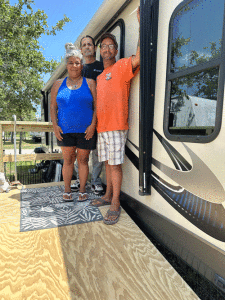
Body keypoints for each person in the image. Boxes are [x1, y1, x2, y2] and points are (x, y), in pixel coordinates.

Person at [91, 7, 140, 225]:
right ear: (100, 51)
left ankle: (116, 202)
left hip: (117, 125)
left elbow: (139, 58)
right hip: (102, 127)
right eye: (104, 46)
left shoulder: (121, 66)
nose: (107, 49)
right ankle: (107, 195)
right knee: (109, 164)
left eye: (111, 45)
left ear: (116, 49)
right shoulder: (100, 77)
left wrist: (141, 24)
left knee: (115, 165)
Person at [50, 43, 97, 202]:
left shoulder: (90, 83)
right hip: (65, 130)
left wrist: (93, 125)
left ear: (81, 65)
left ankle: (83, 189)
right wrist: (55, 126)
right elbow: (52, 107)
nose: (74, 66)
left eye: (77, 62)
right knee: (68, 160)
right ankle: (68, 190)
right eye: (71, 62)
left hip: (86, 130)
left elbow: (97, 106)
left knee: (83, 161)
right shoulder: (57, 84)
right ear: (67, 64)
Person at [71, 35, 104, 194]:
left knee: (97, 152)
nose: (87, 47)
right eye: (83, 45)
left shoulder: (102, 66)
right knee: (80, 151)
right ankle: (79, 179)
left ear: (95, 48)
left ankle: (96, 181)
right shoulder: (78, 68)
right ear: (81, 50)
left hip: (100, 115)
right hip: (81, 116)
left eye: (89, 44)